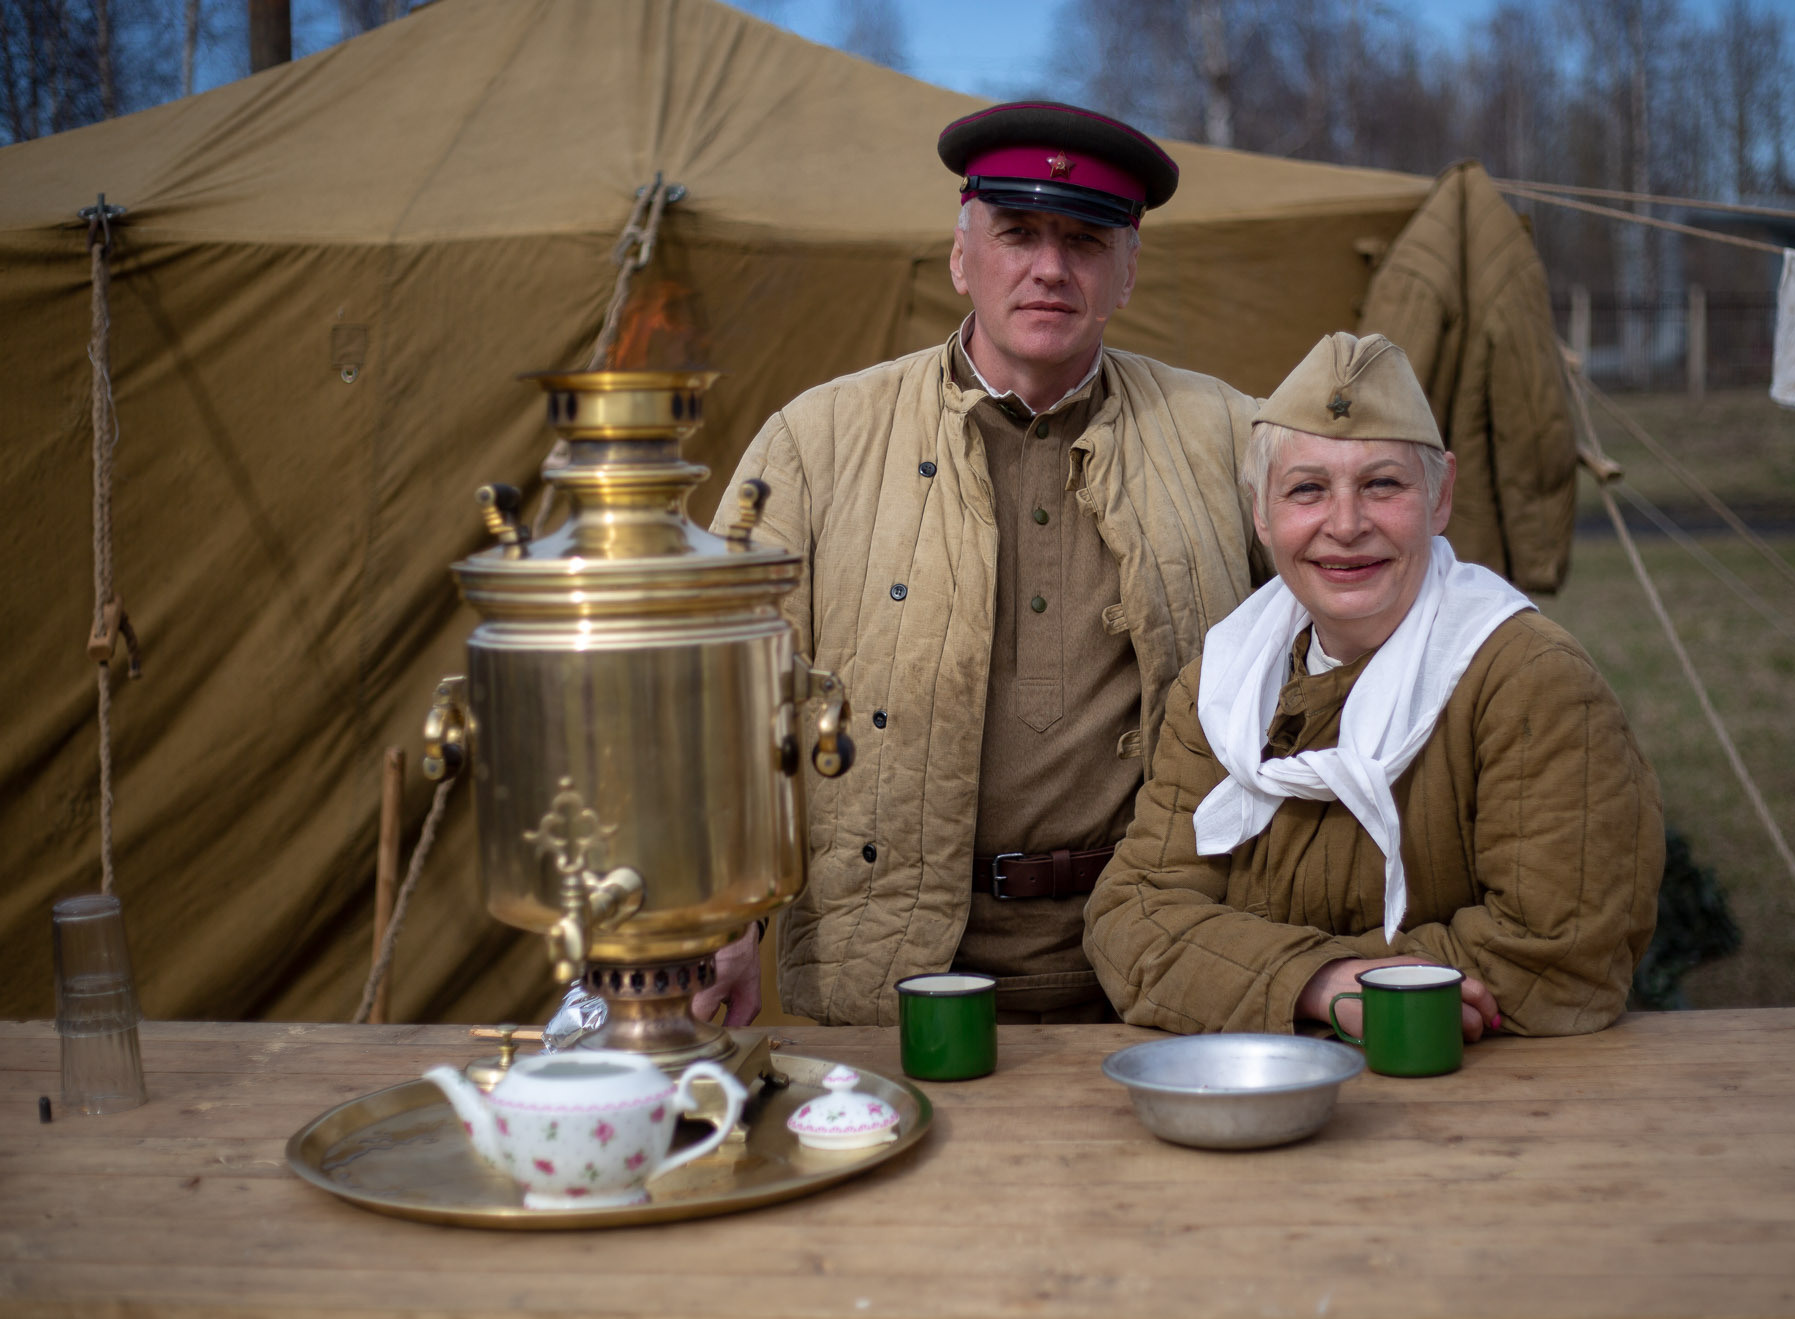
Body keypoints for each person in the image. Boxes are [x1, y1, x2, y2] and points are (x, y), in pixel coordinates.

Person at [702, 102, 1268, 1026]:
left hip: (1167, 957)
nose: (1050, 267)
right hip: (891, 966)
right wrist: (715, 916)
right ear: (963, 257)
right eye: (1018, 234)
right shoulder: (816, 440)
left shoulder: (1227, 436)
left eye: (1085, 240)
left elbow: (1351, 623)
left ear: (1127, 272)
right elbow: (721, 690)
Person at [1083, 332, 1664, 1039]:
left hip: (1480, 1107)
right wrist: (1318, 983)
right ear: (1261, 513)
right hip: (1263, 1100)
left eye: (1382, 484)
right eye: (1307, 489)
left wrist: (1245, 968)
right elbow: (1135, 916)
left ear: (1440, 495)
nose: (1346, 524)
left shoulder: (1529, 683)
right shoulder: (1224, 685)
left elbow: (1559, 954)